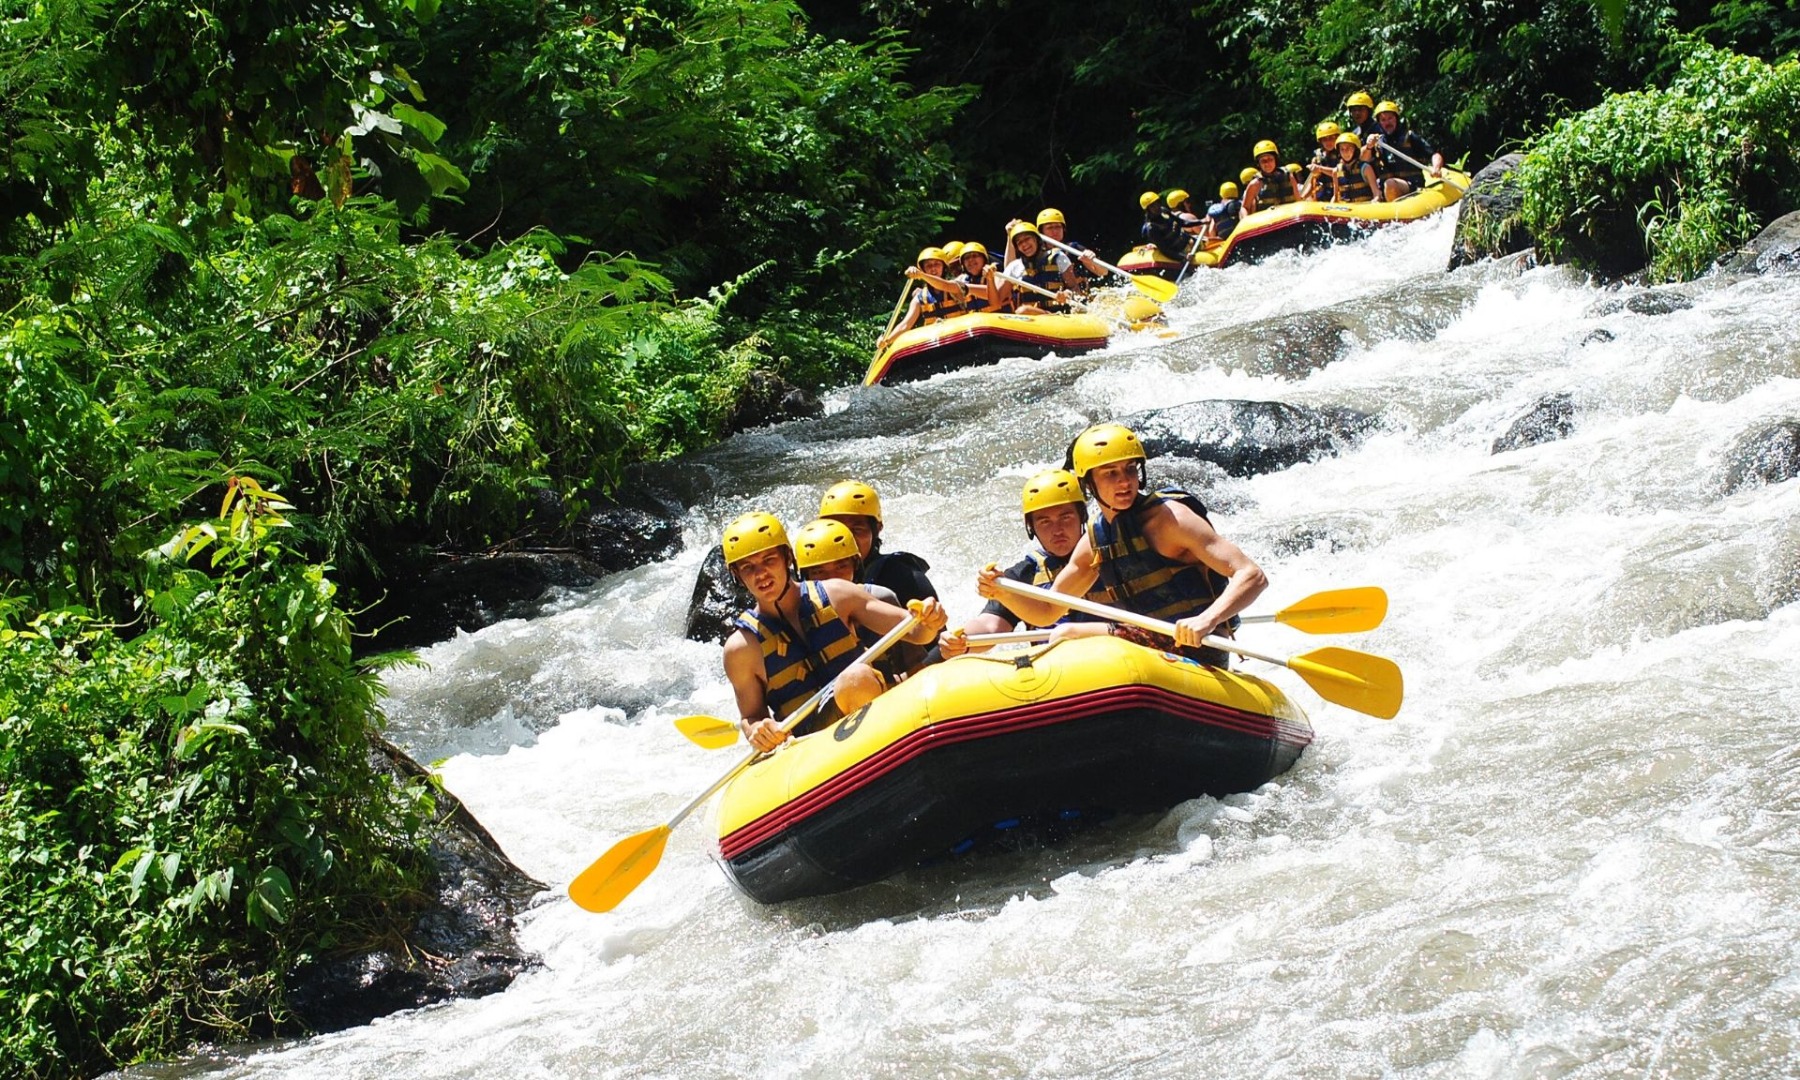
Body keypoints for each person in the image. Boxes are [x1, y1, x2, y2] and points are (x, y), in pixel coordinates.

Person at [977, 423, 1267, 666]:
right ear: (1089, 482)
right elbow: (1047, 612)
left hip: (1197, 648)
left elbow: (1252, 576)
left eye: (1129, 469)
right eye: (1110, 473)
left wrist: (1206, 620)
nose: (1125, 482)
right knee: (1061, 632)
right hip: (1147, 651)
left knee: (1067, 634)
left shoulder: (1170, 520)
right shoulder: (1095, 541)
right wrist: (1002, 592)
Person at [721, 512, 946, 752]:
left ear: (787, 557)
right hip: (810, 746)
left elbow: (915, 632)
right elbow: (751, 716)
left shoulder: (839, 595)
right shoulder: (740, 649)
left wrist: (930, 621)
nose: (761, 574)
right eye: (748, 567)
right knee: (855, 678)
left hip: (867, 707)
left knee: (856, 679)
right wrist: (757, 730)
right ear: (737, 575)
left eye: (769, 560)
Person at [939, 469, 1106, 658]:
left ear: (1082, 517)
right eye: (1045, 522)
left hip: (1115, 654)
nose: (1057, 530)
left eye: (1065, 517)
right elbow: (990, 625)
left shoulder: (1107, 550)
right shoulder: (1023, 575)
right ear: (1031, 527)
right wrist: (962, 640)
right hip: (1057, 668)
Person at [818, 479, 938, 606]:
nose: (846, 539)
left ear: (878, 528)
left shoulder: (903, 577)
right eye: (837, 529)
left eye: (857, 529)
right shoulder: (809, 575)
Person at [876, 247, 969, 352]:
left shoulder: (954, 287)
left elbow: (943, 285)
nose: (933, 269)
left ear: (944, 267)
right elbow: (906, 324)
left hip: (960, 338)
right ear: (924, 269)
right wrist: (887, 340)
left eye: (937, 264)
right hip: (937, 344)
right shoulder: (919, 298)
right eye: (929, 265)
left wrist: (921, 275)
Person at [1366, 100, 1444, 202]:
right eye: (1383, 120)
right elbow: (1363, 160)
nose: (1387, 123)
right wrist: (1368, 146)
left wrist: (1436, 168)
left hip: (1412, 186)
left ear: (1397, 119)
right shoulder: (1378, 141)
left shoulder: (1409, 137)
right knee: (1388, 185)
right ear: (1379, 123)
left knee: (1390, 184)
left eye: (1390, 118)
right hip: (1385, 189)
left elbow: (1434, 155)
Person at [996, 221, 1074, 314]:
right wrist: (989, 278)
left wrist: (1067, 294)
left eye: (1027, 239)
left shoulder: (1058, 257)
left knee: (1023, 310)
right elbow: (997, 300)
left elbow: (1074, 288)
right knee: (1023, 311)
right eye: (1019, 242)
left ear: (1036, 239)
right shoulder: (1015, 266)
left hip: (1058, 315)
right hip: (1032, 319)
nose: (1024, 244)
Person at [1034, 208, 1106, 283]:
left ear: (1063, 229)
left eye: (1058, 227)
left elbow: (1103, 272)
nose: (1055, 231)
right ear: (1041, 232)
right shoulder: (1036, 254)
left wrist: (1091, 261)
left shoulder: (1073, 248)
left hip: (1077, 293)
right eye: (1049, 228)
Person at [1241, 139, 1300, 215]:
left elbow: (1298, 200)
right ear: (1258, 164)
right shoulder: (1255, 184)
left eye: (1270, 159)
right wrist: (1246, 220)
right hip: (1268, 224)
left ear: (1275, 160)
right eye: (1263, 161)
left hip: (1289, 218)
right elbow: (1245, 207)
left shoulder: (1289, 176)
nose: (1267, 164)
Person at [1325, 132, 1377, 203]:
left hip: (1364, 208)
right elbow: (1335, 196)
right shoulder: (1336, 171)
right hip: (1346, 210)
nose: (1345, 152)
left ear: (1356, 150)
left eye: (1349, 148)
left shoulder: (1365, 168)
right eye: (1342, 149)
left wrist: (1375, 202)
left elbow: (1377, 193)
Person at [954, 241, 1004, 313]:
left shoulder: (997, 276)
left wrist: (990, 280)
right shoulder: (961, 280)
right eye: (967, 258)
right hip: (977, 322)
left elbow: (996, 303)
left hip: (999, 321)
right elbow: (946, 285)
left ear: (984, 259)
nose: (970, 260)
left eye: (975, 256)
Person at [1139, 190, 1188, 261]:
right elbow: (1165, 250)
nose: (1157, 207)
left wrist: (1202, 221)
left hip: (1186, 242)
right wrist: (1183, 257)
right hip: (1176, 250)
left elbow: (1181, 223)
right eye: (1152, 206)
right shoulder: (1152, 228)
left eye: (1157, 203)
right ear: (1148, 210)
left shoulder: (1164, 211)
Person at [1305, 121, 1343, 200]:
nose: (1328, 142)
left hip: (1339, 195)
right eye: (1325, 139)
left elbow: (1339, 173)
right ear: (1321, 141)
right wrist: (1303, 197)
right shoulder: (1316, 159)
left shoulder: (1343, 154)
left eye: (1332, 138)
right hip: (1322, 197)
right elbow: (1312, 183)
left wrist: (1320, 169)